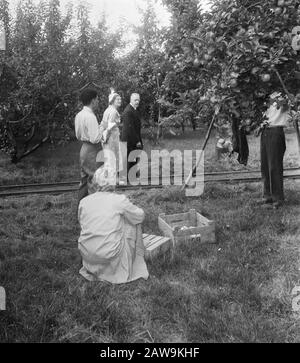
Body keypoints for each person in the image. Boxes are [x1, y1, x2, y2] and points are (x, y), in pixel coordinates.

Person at [77, 166, 149, 284]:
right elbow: (140, 216)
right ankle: (134, 261)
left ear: (95, 182)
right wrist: (129, 208)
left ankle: (96, 266)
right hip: (109, 256)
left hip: (87, 255)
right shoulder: (119, 200)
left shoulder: (84, 202)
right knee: (133, 222)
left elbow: (81, 223)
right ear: (114, 182)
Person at [255, 92, 292, 209]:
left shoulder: (282, 94)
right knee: (265, 166)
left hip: (276, 131)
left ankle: (278, 198)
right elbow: (268, 115)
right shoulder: (265, 95)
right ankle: (267, 196)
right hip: (266, 131)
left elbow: (285, 105)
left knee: (274, 166)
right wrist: (260, 126)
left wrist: (278, 100)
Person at [75, 89, 104, 203]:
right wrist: (103, 127)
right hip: (92, 151)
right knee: (95, 181)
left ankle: (81, 210)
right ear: (93, 100)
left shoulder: (79, 115)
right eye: (97, 99)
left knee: (84, 181)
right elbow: (95, 138)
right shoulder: (90, 116)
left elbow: (78, 135)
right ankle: (94, 211)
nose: (98, 101)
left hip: (84, 149)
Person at [100, 90, 123, 182]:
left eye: (120, 99)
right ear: (113, 101)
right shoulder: (113, 112)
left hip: (109, 137)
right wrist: (106, 137)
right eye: (118, 99)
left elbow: (103, 125)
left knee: (109, 158)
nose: (120, 101)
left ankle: (110, 179)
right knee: (113, 158)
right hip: (111, 138)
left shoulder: (108, 110)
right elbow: (109, 127)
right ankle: (113, 180)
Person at [121, 93, 143, 178]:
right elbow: (130, 129)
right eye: (135, 100)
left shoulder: (134, 109)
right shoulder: (128, 111)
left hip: (132, 139)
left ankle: (132, 176)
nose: (137, 102)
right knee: (129, 159)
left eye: (138, 100)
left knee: (133, 158)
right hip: (129, 140)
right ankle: (128, 178)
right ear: (131, 100)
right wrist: (137, 141)